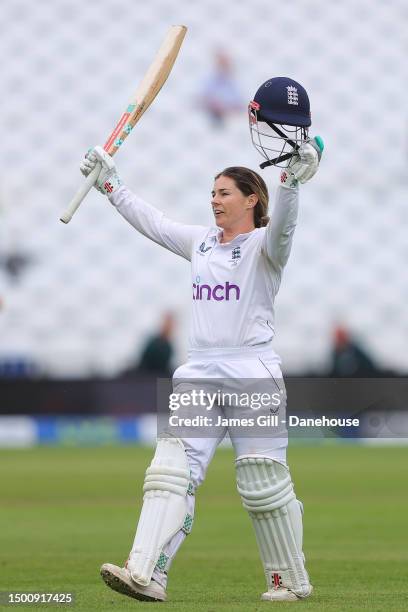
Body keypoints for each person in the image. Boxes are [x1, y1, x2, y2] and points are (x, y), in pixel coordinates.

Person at [80, 77, 323, 603]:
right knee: (170, 473)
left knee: (263, 484)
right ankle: (145, 572)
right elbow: (154, 223)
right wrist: (110, 183)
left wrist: (292, 184)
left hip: (254, 373)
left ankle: (288, 581)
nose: (214, 201)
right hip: (199, 372)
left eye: (224, 193)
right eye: (211, 193)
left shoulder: (265, 247)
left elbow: (283, 228)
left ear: (251, 199)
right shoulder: (202, 243)